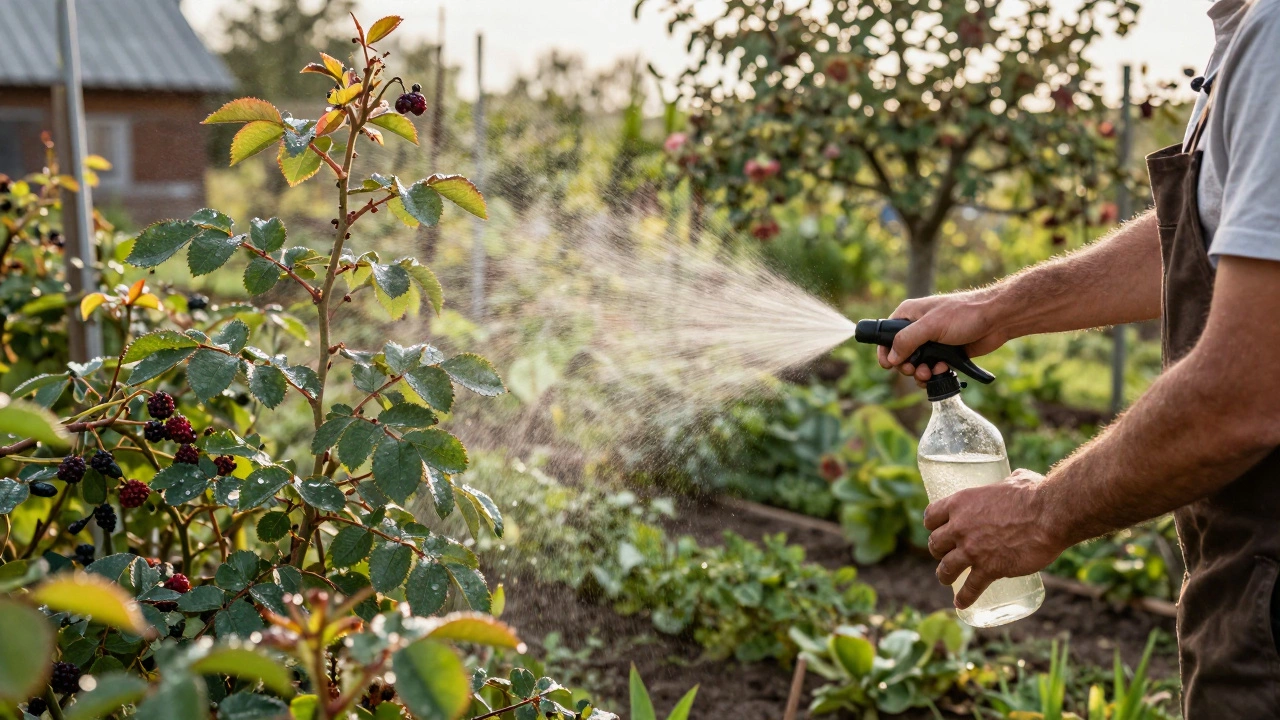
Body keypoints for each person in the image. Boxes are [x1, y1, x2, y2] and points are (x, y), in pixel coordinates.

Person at [876, 1, 1280, 716]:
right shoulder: (1247, 32)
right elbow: (1225, 224)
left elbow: (1243, 397)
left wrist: (1041, 513)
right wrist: (1003, 306)